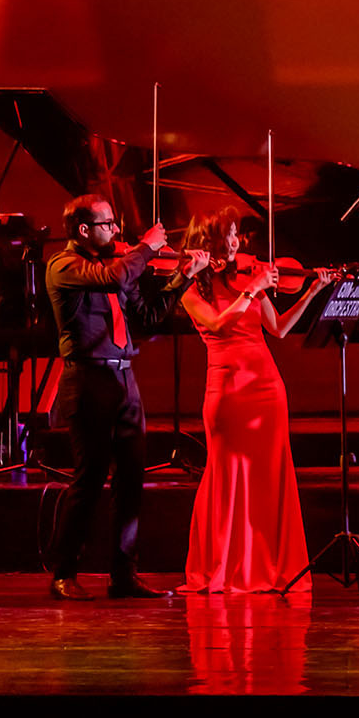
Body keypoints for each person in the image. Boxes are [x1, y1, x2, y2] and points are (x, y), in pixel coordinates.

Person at [45, 195, 209, 601]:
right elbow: (115, 279)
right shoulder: (65, 266)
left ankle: (123, 576)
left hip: (123, 379)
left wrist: (183, 276)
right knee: (89, 477)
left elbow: (148, 316)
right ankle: (64, 573)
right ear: (84, 230)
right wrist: (147, 247)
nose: (116, 230)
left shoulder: (113, 266)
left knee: (132, 479)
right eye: (109, 224)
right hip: (88, 379)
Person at [178, 207, 329, 592]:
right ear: (207, 242)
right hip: (228, 390)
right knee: (228, 475)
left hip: (267, 387)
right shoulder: (191, 291)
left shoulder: (249, 279)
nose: (235, 242)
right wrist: (252, 288)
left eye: (236, 235)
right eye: (228, 235)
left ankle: (269, 564)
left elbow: (278, 329)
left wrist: (312, 291)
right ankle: (229, 566)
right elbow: (219, 324)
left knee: (269, 476)